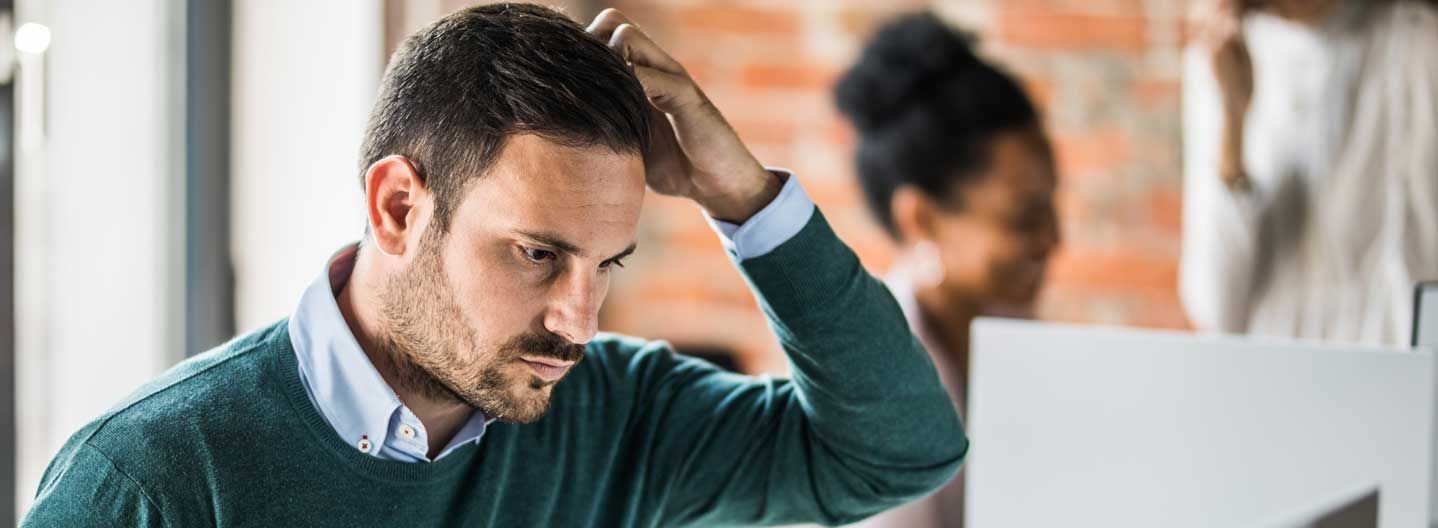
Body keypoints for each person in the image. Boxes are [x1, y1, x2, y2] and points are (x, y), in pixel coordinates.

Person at [21, 5, 966, 527]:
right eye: (538, 254)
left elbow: (903, 450)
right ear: (400, 207)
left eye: (607, 263)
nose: (579, 321)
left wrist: (746, 200)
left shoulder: (614, 416)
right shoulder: (149, 482)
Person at [832, 13, 1060, 528]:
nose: (1053, 239)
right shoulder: (871, 382)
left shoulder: (1017, 331)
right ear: (922, 217)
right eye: (1024, 218)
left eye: (1052, 205)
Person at [1181, 0, 1438, 345]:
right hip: (1277, 373)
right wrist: (1233, 123)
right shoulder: (1221, 58)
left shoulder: (1419, 47)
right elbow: (1214, 308)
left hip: (1401, 374)